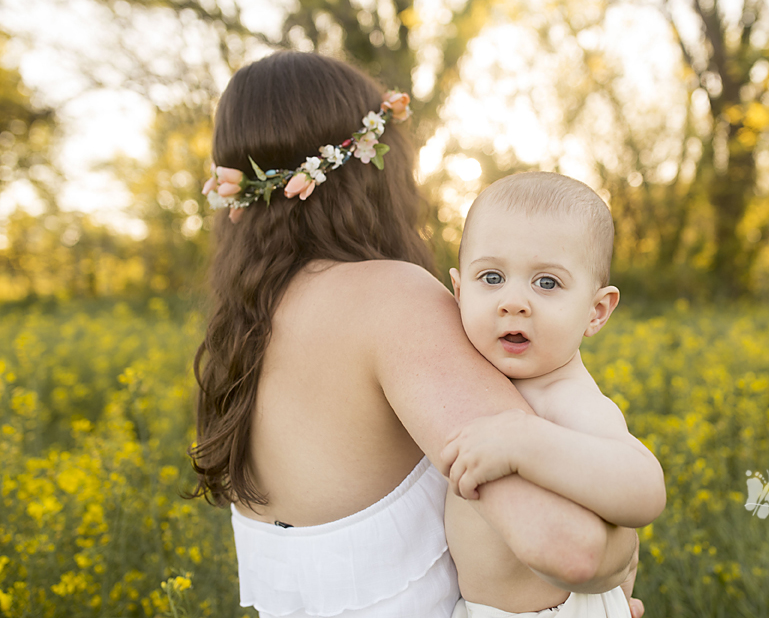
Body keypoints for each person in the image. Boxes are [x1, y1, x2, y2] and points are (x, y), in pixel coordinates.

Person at [188, 51, 644, 618]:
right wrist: (618, 563)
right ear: (374, 164)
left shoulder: (243, 333)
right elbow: (570, 549)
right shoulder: (393, 299)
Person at [440, 172, 666, 618]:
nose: (513, 302)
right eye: (492, 276)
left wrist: (525, 442)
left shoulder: (564, 397)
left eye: (546, 283)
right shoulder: (466, 374)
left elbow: (646, 490)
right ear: (459, 291)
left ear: (596, 311)